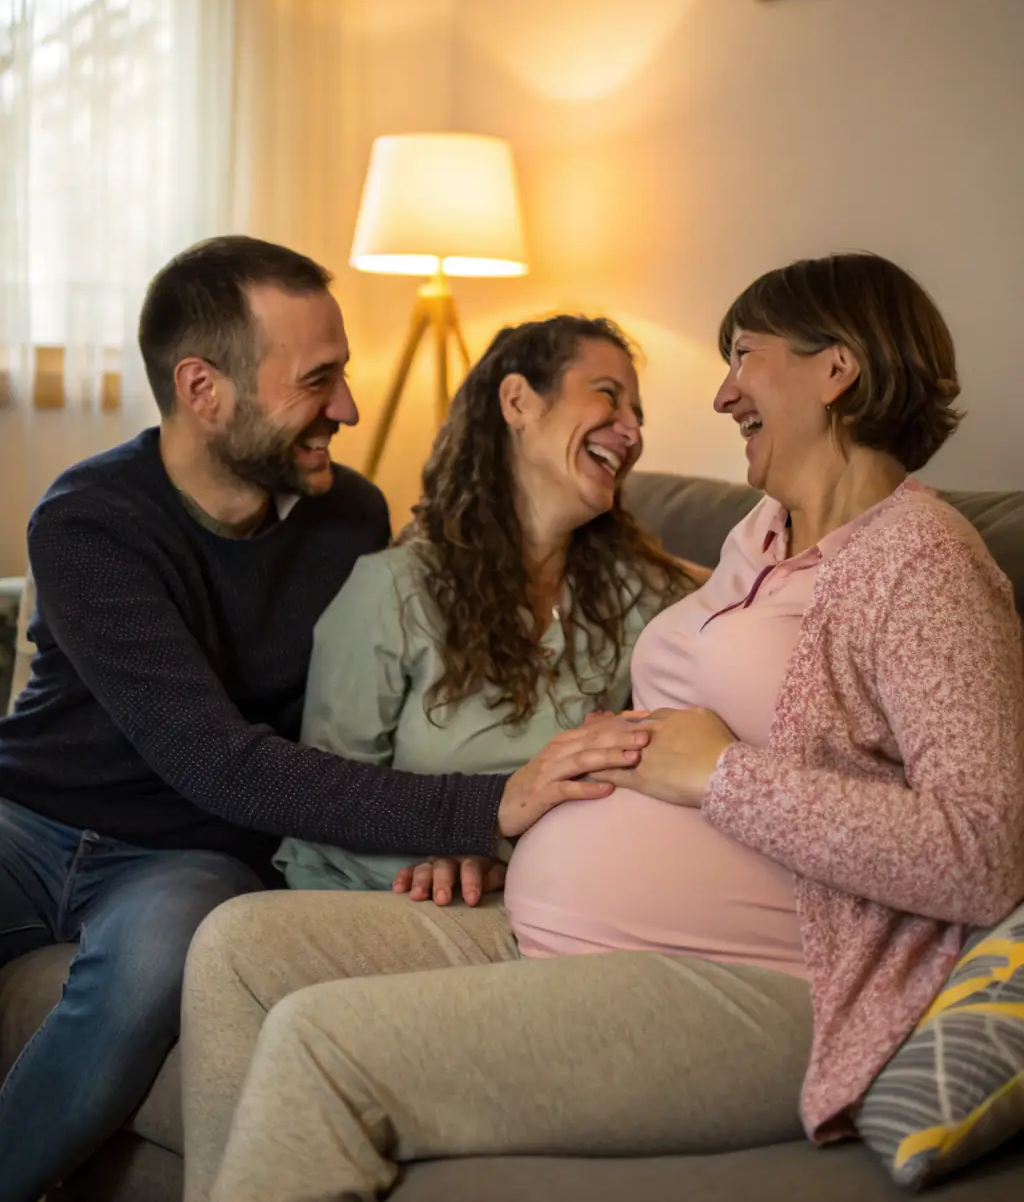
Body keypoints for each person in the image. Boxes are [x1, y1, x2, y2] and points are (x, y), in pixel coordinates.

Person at [181, 252, 1024, 1202]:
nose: (720, 393)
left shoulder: (923, 562)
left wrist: (721, 773)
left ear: (838, 368)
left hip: (777, 978)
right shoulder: (758, 540)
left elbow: (983, 852)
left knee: (319, 1044)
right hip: (562, 920)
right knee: (238, 947)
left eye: (743, 354)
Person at [0, 237, 647, 1202]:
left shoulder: (349, 515)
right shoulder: (88, 520)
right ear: (203, 388)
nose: (346, 407)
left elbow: (375, 704)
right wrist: (481, 809)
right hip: (30, 822)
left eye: (344, 376)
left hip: (181, 860)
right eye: (320, 379)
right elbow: (216, 759)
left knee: (163, 953)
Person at [274, 315, 696, 895]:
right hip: (389, 895)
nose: (631, 431)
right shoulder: (394, 592)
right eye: (609, 397)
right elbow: (324, 802)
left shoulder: (641, 594)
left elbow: (752, 609)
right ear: (518, 401)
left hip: (565, 896)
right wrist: (432, 860)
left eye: (638, 416)